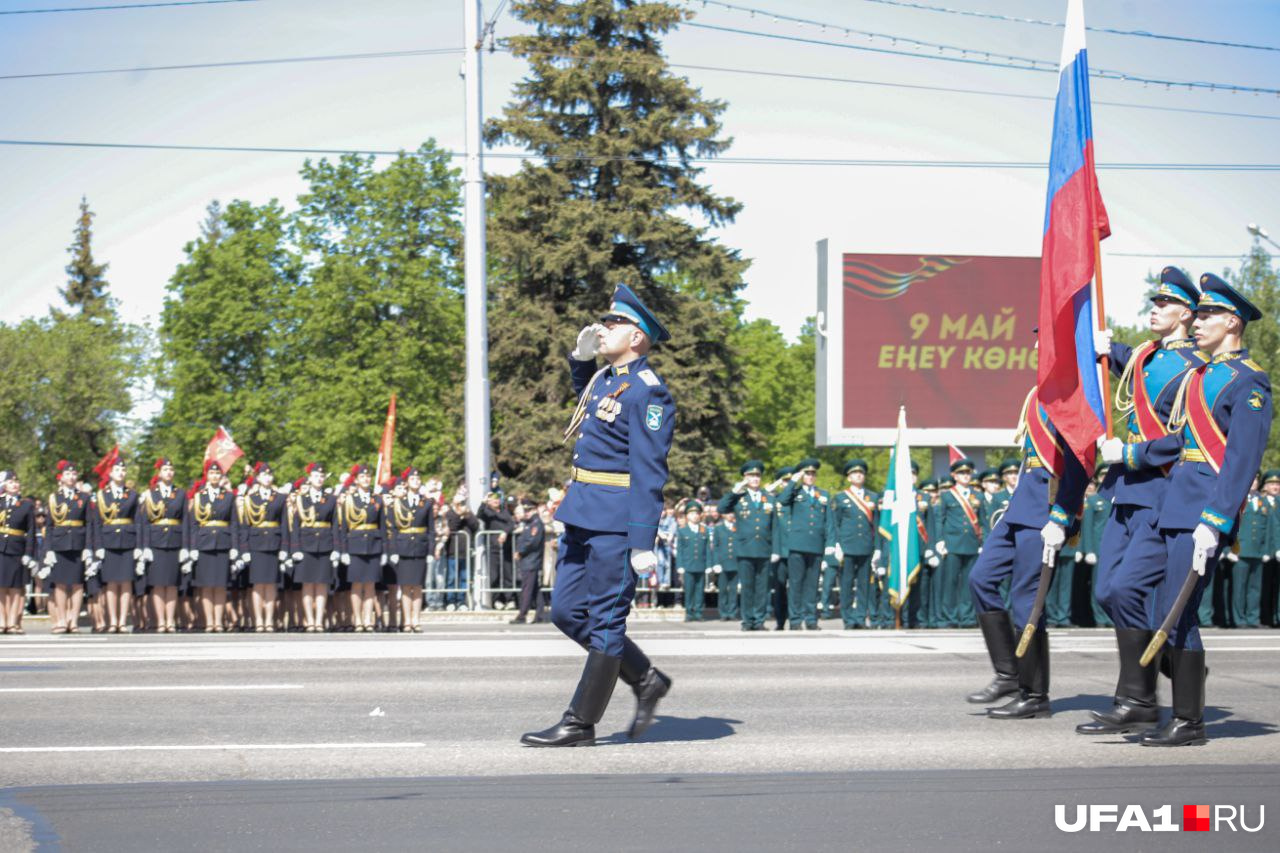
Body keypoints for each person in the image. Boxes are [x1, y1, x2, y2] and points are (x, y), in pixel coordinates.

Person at [1114, 273, 1271, 746]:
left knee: (1177, 613)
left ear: (1232, 322)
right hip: (1171, 506)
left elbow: (1242, 461)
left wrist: (1216, 521)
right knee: (1122, 588)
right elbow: (1178, 441)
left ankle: (1188, 721)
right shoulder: (1198, 376)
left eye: (1206, 315)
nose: (1197, 322)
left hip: (1201, 513)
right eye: (1196, 314)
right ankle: (1161, 691)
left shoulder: (1250, 382)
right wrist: (1129, 456)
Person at [522, 283, 675, 747]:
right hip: (584, 511)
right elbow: (588, 408)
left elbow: (650, 470)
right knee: (568, 613)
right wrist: (581, 361)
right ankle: (645, 679)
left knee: (607, 621)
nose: (604, 328)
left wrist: (642, 541)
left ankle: (579, 723)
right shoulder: (606, 380)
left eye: (615, 323)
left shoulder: (650, 393)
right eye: (606, 321)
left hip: (615, 519)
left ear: (638, 337)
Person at [1078, 267, 1207, 734]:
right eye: (1153, 303)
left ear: (1186, 314)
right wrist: (1102, 346)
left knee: (1123, 590)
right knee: (1105, 591)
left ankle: (1139, 696)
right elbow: (1130, 367)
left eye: (1163, 305)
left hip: (1160, 490)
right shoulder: (1145, 356)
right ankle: (1150, 677)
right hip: (1126, 492)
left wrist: (1131, 452)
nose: (1154, 310)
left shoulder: (1195, 367)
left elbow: (1189, 437)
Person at [967, 386, 1088, 718]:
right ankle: (1008, 673)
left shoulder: (1075, 396)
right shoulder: (1039, 395)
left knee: (1025, 599)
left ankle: (1034, 693)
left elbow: (1080, 462)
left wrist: (1063, 515)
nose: (1038, 344)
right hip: (1020, 507)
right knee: (980, 579)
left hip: (1045, 511)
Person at [776, 459, 835, 630]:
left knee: (812, 585)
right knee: (795, 584)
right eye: (806, 473)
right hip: (797, 545)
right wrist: (794, 480)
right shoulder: (795, 492)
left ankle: (811, 619)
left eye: (812, 473)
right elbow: (782, 500)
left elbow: (829, 521)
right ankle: (795, 620)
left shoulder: (823, 495)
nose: (810, 476)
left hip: (816, 545)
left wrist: (831, 542)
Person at [718, 460, 776, 632]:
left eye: (757, 475)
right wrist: (735, 490)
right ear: (745, 478)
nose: (755, 479)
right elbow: (722, 508)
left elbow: (775, 526)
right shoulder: (739, 497)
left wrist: (776, 550)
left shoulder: (769, 498)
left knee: (762, 588)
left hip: (764, 548)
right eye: (751, 476)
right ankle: (747, 620)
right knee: (747, 587)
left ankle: (759, 620)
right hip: (745, 549)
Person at [236, 462, 288, 632]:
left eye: (269, 474)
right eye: (264, 475)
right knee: (258, 585)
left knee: (271, 584)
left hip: (274, 543)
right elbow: (245, 526)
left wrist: (285, 549)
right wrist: (244, 550)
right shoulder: (250, 499)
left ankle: (269, 620)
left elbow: (285, 525)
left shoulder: (280, 497)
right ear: (258, 478)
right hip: (256, 544)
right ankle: (259, 620)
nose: (267, 477)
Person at [137, 458, 186, 633]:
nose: (169, 472)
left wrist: (186, 547)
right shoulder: (150, 494)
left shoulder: (180, 494)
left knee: (172, 584)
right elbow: (143, 522)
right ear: (159, 473)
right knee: (157, 584)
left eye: (171, 469)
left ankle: (170, 620)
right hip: (155, 541)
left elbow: (185, 521)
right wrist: (144, 546)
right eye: (165, 469)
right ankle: (160, 621)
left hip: (174, 541)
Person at [42, 461, 91, 634]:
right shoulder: (54, 498)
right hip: (59, 544)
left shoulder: (84, 497)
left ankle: (73, 620)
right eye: (67, 474)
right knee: (60, 585)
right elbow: (49, 526)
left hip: (78, 543)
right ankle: (62, 619)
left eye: (73, 474)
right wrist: (48, 550)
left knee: (77, 584)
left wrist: (88, 547)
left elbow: (89, 524)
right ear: (61, 477)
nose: (71, 477)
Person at [831, 459, 881, 630]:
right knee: (846, 584)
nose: (858, 475)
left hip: (866, 546)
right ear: (848, 477)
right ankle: (848, 618)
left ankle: (860, 617)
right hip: (847, 546)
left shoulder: (873, 497)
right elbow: (835, 524)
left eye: (861, 473)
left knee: (864, 584)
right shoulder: (840, 497)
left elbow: (877, 524)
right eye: (854, 473)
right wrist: (836, 545)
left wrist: (878, 548)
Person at [289, 462, 339, 632]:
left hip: (325, 545)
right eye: (316, 476)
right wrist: (295, 549)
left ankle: (319, 620)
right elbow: (295, 525)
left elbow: (335, 525)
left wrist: (336, 549)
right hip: (306, 545)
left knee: (322, 585)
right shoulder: (301, 499)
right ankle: (309, 620)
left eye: (322, 476)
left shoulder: (331, 499)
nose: (319, 479)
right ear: (310, 478)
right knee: (308, 585)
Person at [336, 464, 386, 632]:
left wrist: (384, 549)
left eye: (368, 476)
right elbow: (343, 527)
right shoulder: (349, 500)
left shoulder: (377, 499)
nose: (366, 479)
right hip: (355, 544)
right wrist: (343, 550)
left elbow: (382, 526)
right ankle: (357, 619)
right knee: (356, 585)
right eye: (362, 477)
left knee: (370, 586)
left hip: (373, 544)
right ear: (356, 480)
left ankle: (367, 619)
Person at [935, 458, 983, 628]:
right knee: (950, 583)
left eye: (968, 473)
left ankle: (968, 617)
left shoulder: (978, 495)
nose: (965, 476)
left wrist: (983, 542)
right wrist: (940, 540)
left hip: (972, 544)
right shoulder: (947, 495)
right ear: (954, 475)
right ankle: (949, 617)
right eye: (961, 473)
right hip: (952, 544)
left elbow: (983, 521)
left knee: (968, 583)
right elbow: (939, 519)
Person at [387, 468, 435, 632]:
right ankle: (406, 621)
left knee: (418, 586)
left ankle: (416, 620)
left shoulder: (427, 503)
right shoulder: (398, 503)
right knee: (405, 587)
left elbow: (431, 529)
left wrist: (430, 551)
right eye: (412, 478)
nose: (415, 480)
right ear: (406, 482)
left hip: (420, 547)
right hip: (403, 546)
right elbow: (393, 529)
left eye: (418, 478)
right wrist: (393, 551)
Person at [0, 471, 38, 634]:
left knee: (16, 588)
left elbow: (31, 530)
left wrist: (29, 553)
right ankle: (2, 621)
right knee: (1, 587)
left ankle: (13, 621)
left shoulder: (26, 505)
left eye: (16, 482)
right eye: (10, 482)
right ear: (4, 485)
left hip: (17, 549)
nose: (14, 485)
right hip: (1, 548)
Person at [511, 497, 546, 624]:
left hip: (531, 560)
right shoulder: (530, 523)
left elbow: (532, 542)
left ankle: (522, 615)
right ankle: (540, 615)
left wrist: (519, 551)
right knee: (535, 589)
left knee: (527, 588)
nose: (526, 513)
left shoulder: (536, 524)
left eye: (528, 510)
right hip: (528, 560)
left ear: (533, 510)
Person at [441, 495, 479, 611]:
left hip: (465, 552)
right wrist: (459, 515)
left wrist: (467, 515)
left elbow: (475, 526)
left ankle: (462, 601)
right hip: (453, 552)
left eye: (463, 502)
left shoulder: (468, 513)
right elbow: (453, 527)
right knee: (452, 578)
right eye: (460, 502)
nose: (462, 505)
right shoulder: (449, 514)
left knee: (464, 579)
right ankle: (450, 601)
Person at [676, 500, 710, 622]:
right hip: (688, 565)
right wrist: (680, 565)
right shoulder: (682, 531)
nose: (694, 516)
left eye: (697, 513)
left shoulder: (704, 530)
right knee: (689, 590)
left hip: (700, 564)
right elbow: (680, 550)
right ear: (687, 516)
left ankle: (699, 613)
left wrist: (709, 565)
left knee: (700, 591)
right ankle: (689, 613)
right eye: (691, 514)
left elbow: (707, 549)